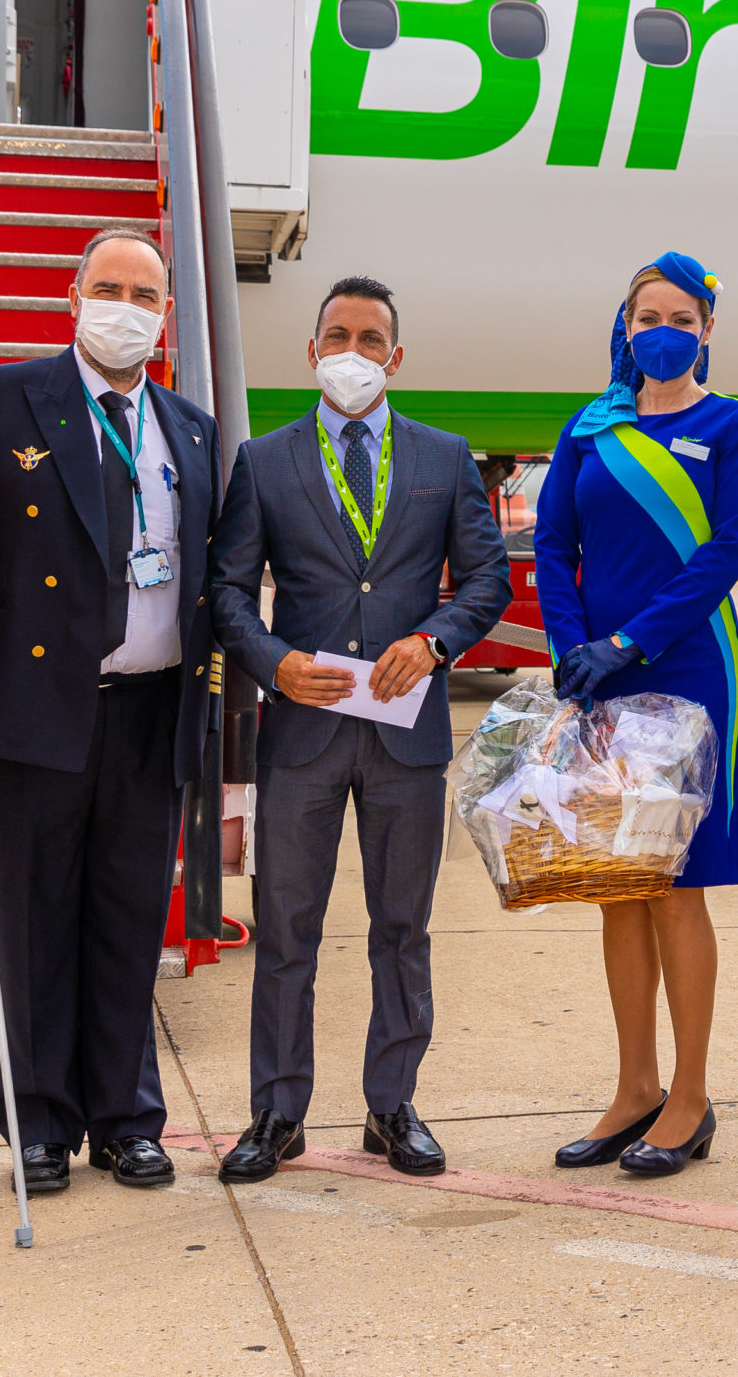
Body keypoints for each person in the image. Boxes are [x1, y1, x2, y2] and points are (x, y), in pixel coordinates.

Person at [0, 228, 220, 1194]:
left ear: (165, 315)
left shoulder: (193, 426)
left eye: (145, 293)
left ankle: (128, 1118)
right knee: (35, 921)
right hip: (34, 709)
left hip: (150, 710)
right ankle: (38, 1122)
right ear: (74, 294)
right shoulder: (1, 396)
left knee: (132, 922)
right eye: (109, 286)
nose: (125, 306)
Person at [208, 275, 512, 1182]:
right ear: (311, 350)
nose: (352, 350)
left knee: (401, 927)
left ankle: (392, 1106)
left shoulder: (443, 456)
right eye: (336, 334)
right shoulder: (264, 461)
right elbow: (227, 589)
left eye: (369, 337)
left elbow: (486, 580)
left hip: (404, 737)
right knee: (286, 928)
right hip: (302, 729)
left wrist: (435, 639)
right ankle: (277, 1111)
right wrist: (271, 660)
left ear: (394, 355)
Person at [533, 252, 738, 1177]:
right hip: (597, 679)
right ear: (623, 326)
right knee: (617, 885)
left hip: (693, 675)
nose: (661, 329)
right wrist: (571, 650)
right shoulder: (592, 429)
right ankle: (634, 1087)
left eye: (680, 316)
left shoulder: (733, 426)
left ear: (707, 327)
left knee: (678, 884)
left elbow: (725, 553)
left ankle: (692, 1094)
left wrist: (626, 642)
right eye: (645, 315)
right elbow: (554, 543)